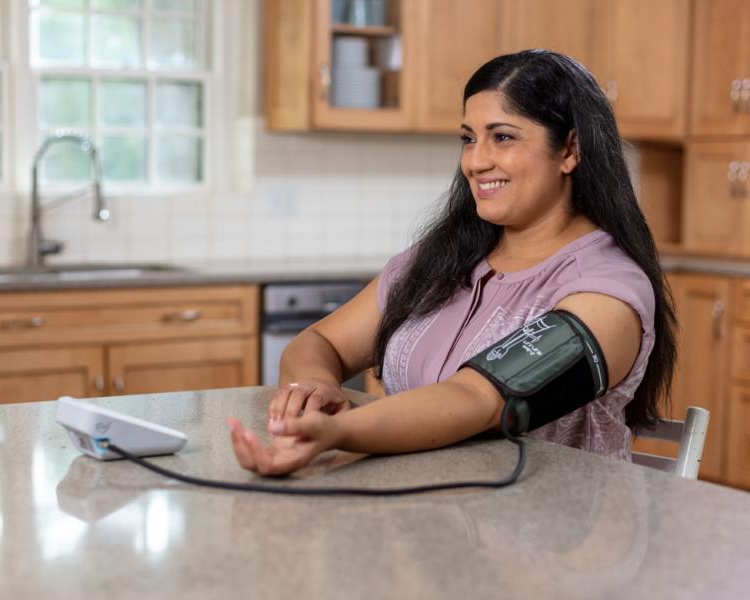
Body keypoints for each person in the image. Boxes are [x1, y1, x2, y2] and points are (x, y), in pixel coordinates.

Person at [228, 49, 676, 476]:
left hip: (555, 536)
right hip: (427, 518)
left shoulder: (608, 291)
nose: (476, 161)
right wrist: (314, 386)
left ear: (569, 150)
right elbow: (320, 341)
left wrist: (339, 431)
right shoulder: (436, 262)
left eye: (502, 137)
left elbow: (478, 399)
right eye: (468, 139)